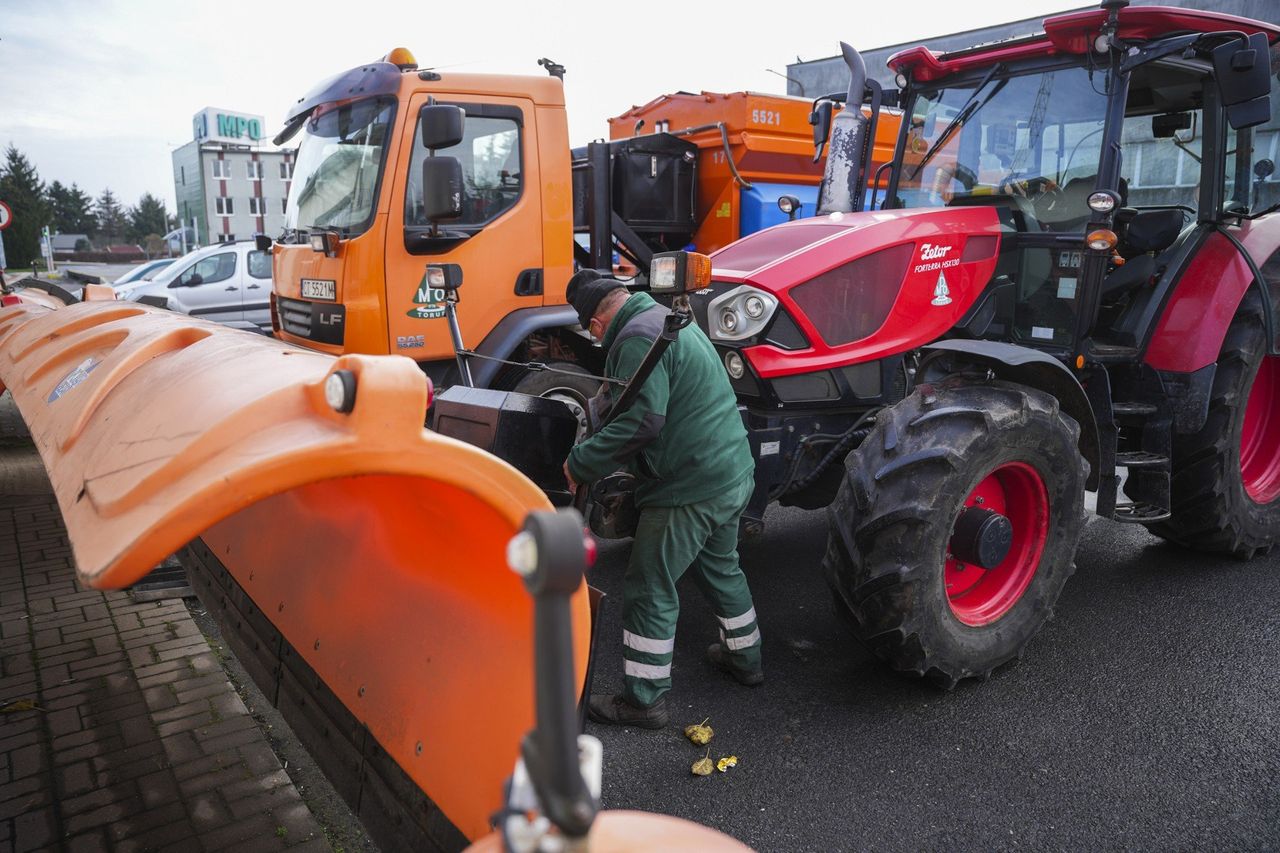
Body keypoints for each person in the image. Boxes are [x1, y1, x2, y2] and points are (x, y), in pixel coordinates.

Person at [563, 269, 763, 730]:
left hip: (689, 488)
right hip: (730, 470)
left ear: (595, 323)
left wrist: (581, 463)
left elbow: (642, 422)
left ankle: (643, 700)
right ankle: (746, 659)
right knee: (720, 566)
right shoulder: (664, 317)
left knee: (650, 584)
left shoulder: (633, 338)